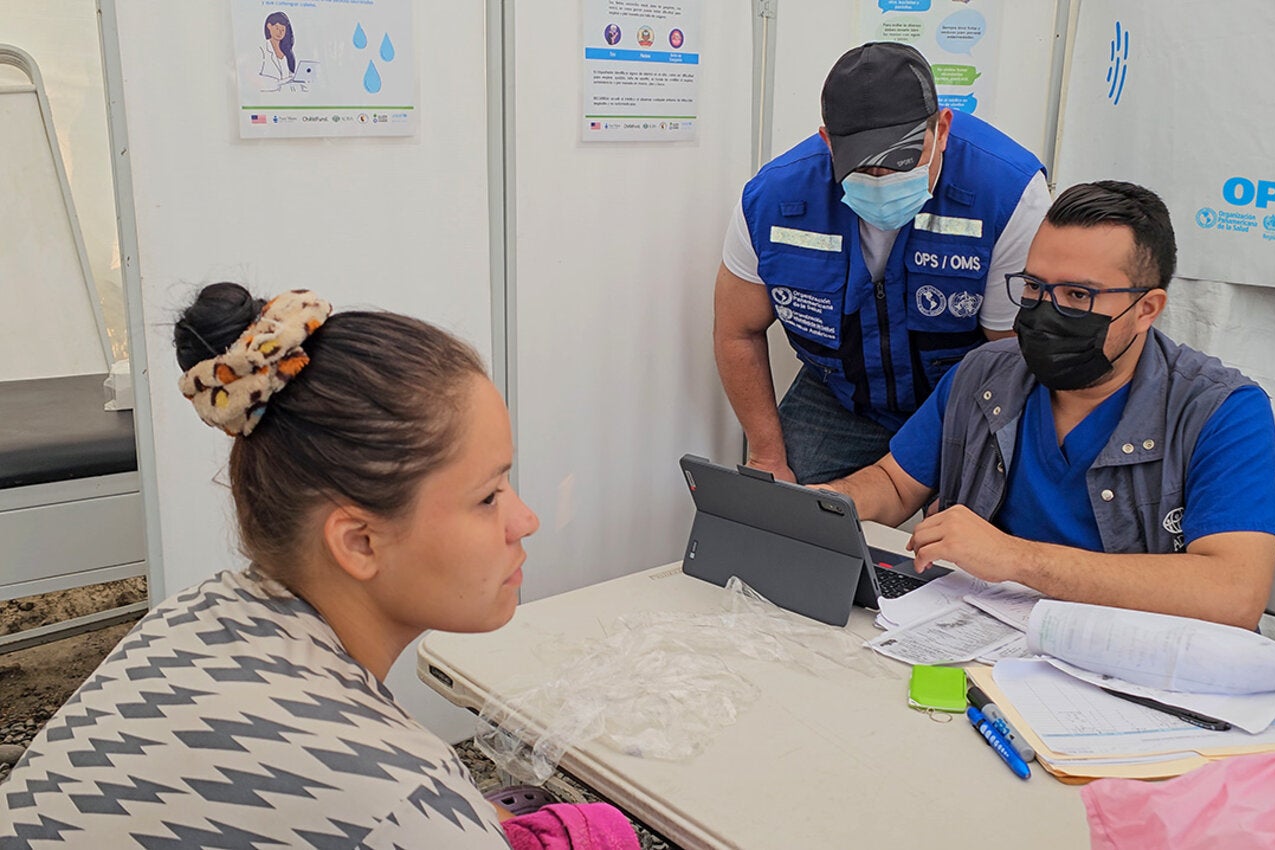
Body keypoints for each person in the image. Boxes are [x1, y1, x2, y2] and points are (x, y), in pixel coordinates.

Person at [0, 284, 637, 848]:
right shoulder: (397, 802)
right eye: (489, 495)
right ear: (358, 542)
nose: (525, 520)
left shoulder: (190, 617)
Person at [822, 181, 1275, 629]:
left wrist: (1017, 559)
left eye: (1078, 295)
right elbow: (894, 483)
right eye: (1033, 286)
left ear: (1147, 309)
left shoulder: (1221, 411)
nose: (1045, 311)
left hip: (1128, 666)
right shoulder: (986, 373)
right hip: (979, 637)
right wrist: (822, 506)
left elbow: (1234, 593)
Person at [714, 41, 1051, 485]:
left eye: (901, 160)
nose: (882, 178)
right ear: (827, 143)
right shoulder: (773, 200)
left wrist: (954, 478)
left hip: (968, 392)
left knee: (967, 529)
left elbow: (1010, 356)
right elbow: (737, 329)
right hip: (842, 394)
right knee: (788, 517)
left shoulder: (1007, 193)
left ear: (942, 130)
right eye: (865, 166)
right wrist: (766, 455)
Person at [259, 11, 296, 90]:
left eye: (283, 30)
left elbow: (290, 75)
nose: (279, 32)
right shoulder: (262, 49)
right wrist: (277, 83)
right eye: (277, 28)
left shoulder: (286, 51)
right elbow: (256, 76)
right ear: (269, 26)